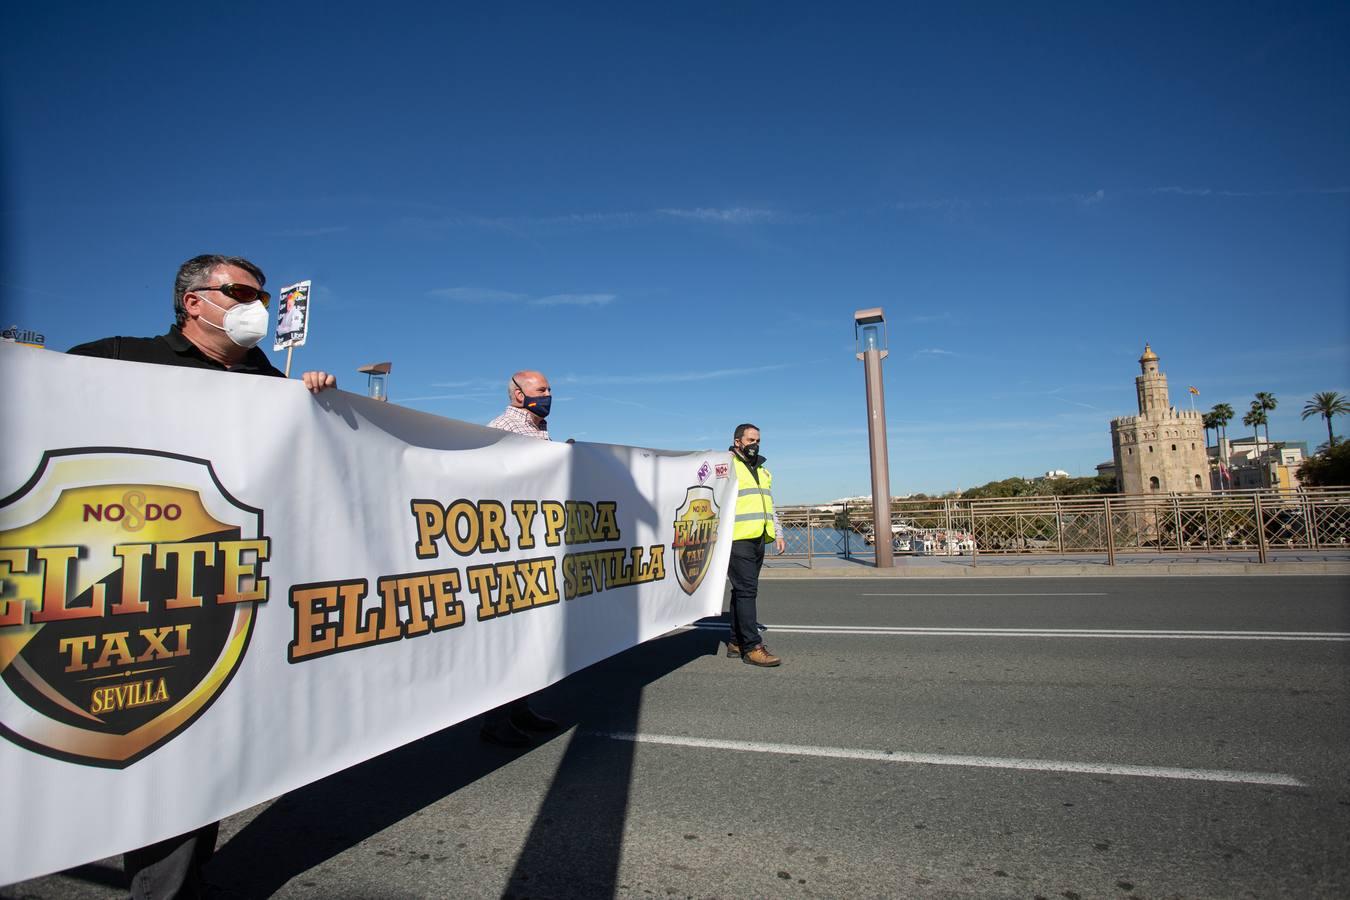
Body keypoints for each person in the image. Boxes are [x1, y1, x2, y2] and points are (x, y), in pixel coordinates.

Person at [68, 253, 337, 900]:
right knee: (164, 750)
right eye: (243, 292)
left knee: (210, 749)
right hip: (123, 589)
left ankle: (181, 877)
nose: (259, 307)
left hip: (233, 589)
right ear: (194, 302)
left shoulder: (270, 382)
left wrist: (319, 405)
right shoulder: (116, 357)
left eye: (263, 296)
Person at [480, 369, 562, 747]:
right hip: (509, 548)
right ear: (518, 394)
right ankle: (496, 721)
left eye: (548, 389)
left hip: (534, 544)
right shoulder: (504, 428)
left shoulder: (537, 428)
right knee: (509, 638)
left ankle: (520, 706)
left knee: (529, 636)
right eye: (541, 389)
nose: (548, 394)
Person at [725, 423, 786, 666]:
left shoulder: (763, 470)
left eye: (757, 440)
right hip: (737, 538)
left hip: (759, 536)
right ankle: (752, 646)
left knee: (741, 590)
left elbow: (769, 505)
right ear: (738, 441)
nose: (755, 444)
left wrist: (778, 533)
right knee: (748, 590)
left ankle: (735, 641)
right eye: (750, 440)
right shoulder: (727, 466)